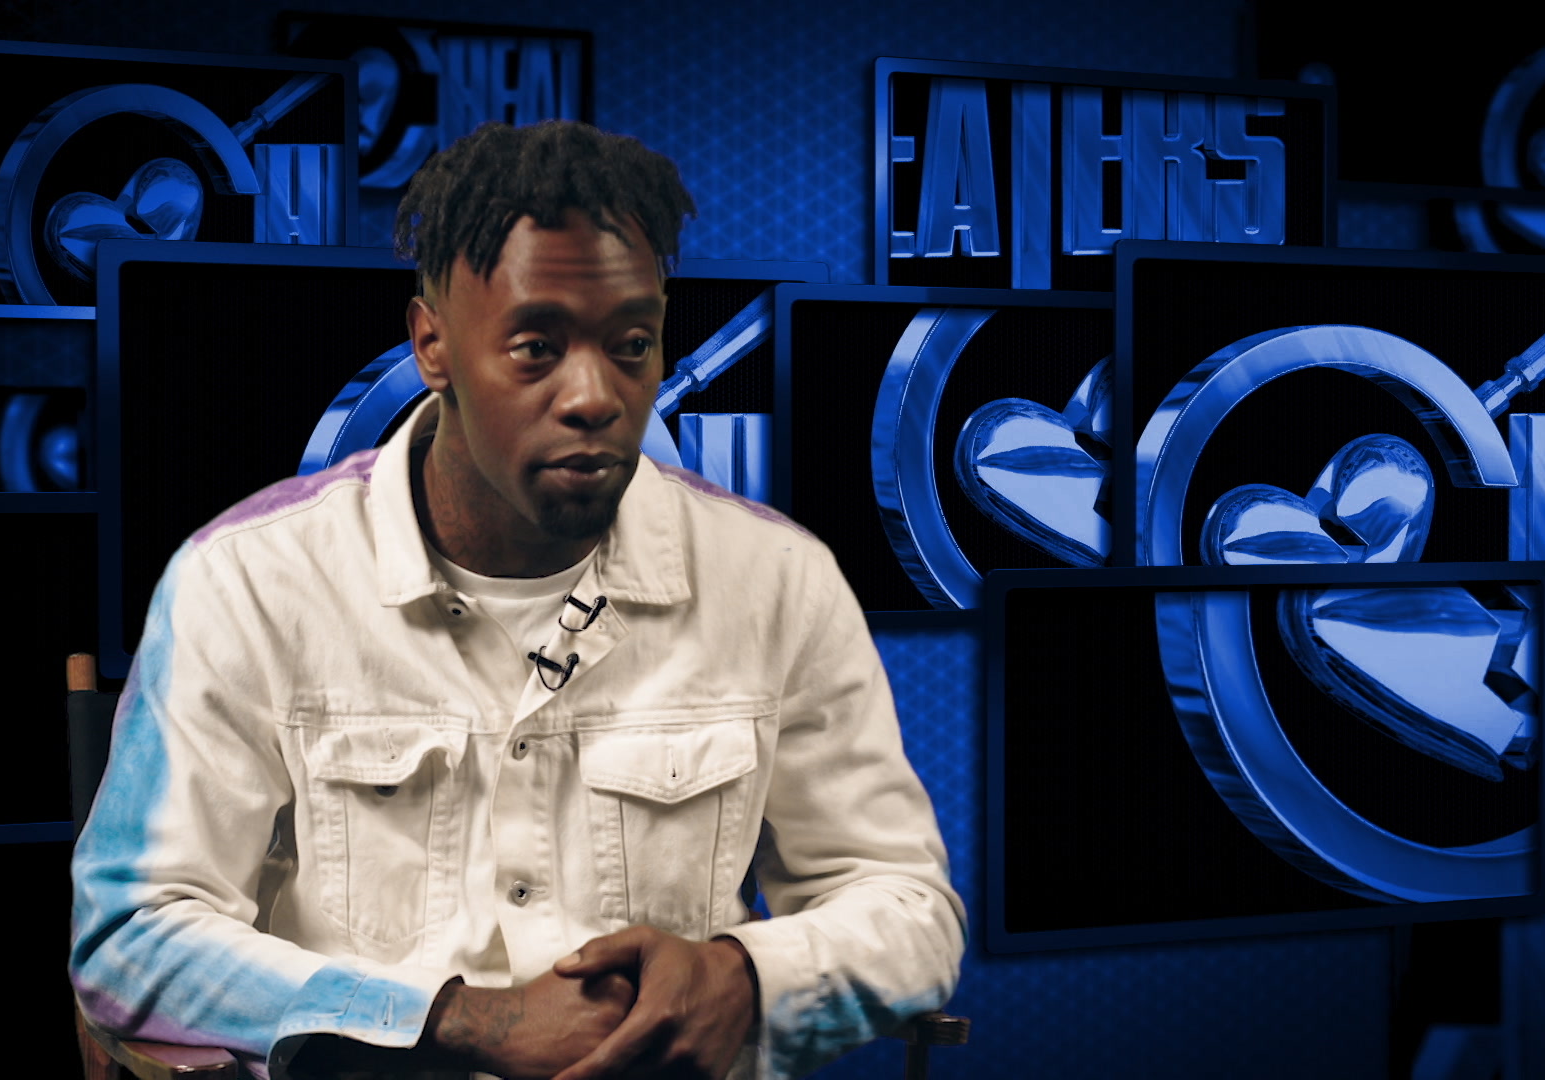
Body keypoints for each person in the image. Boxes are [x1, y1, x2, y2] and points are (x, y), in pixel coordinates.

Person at [69, 120, 965, 1080]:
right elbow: (132, 936)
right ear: (432, 345)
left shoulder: (778, 580)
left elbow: (909, 910)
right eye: (537, 347)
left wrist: (742, 977)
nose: (595, 397)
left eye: (632, 345)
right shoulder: (248, 582)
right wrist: (459, 1019)